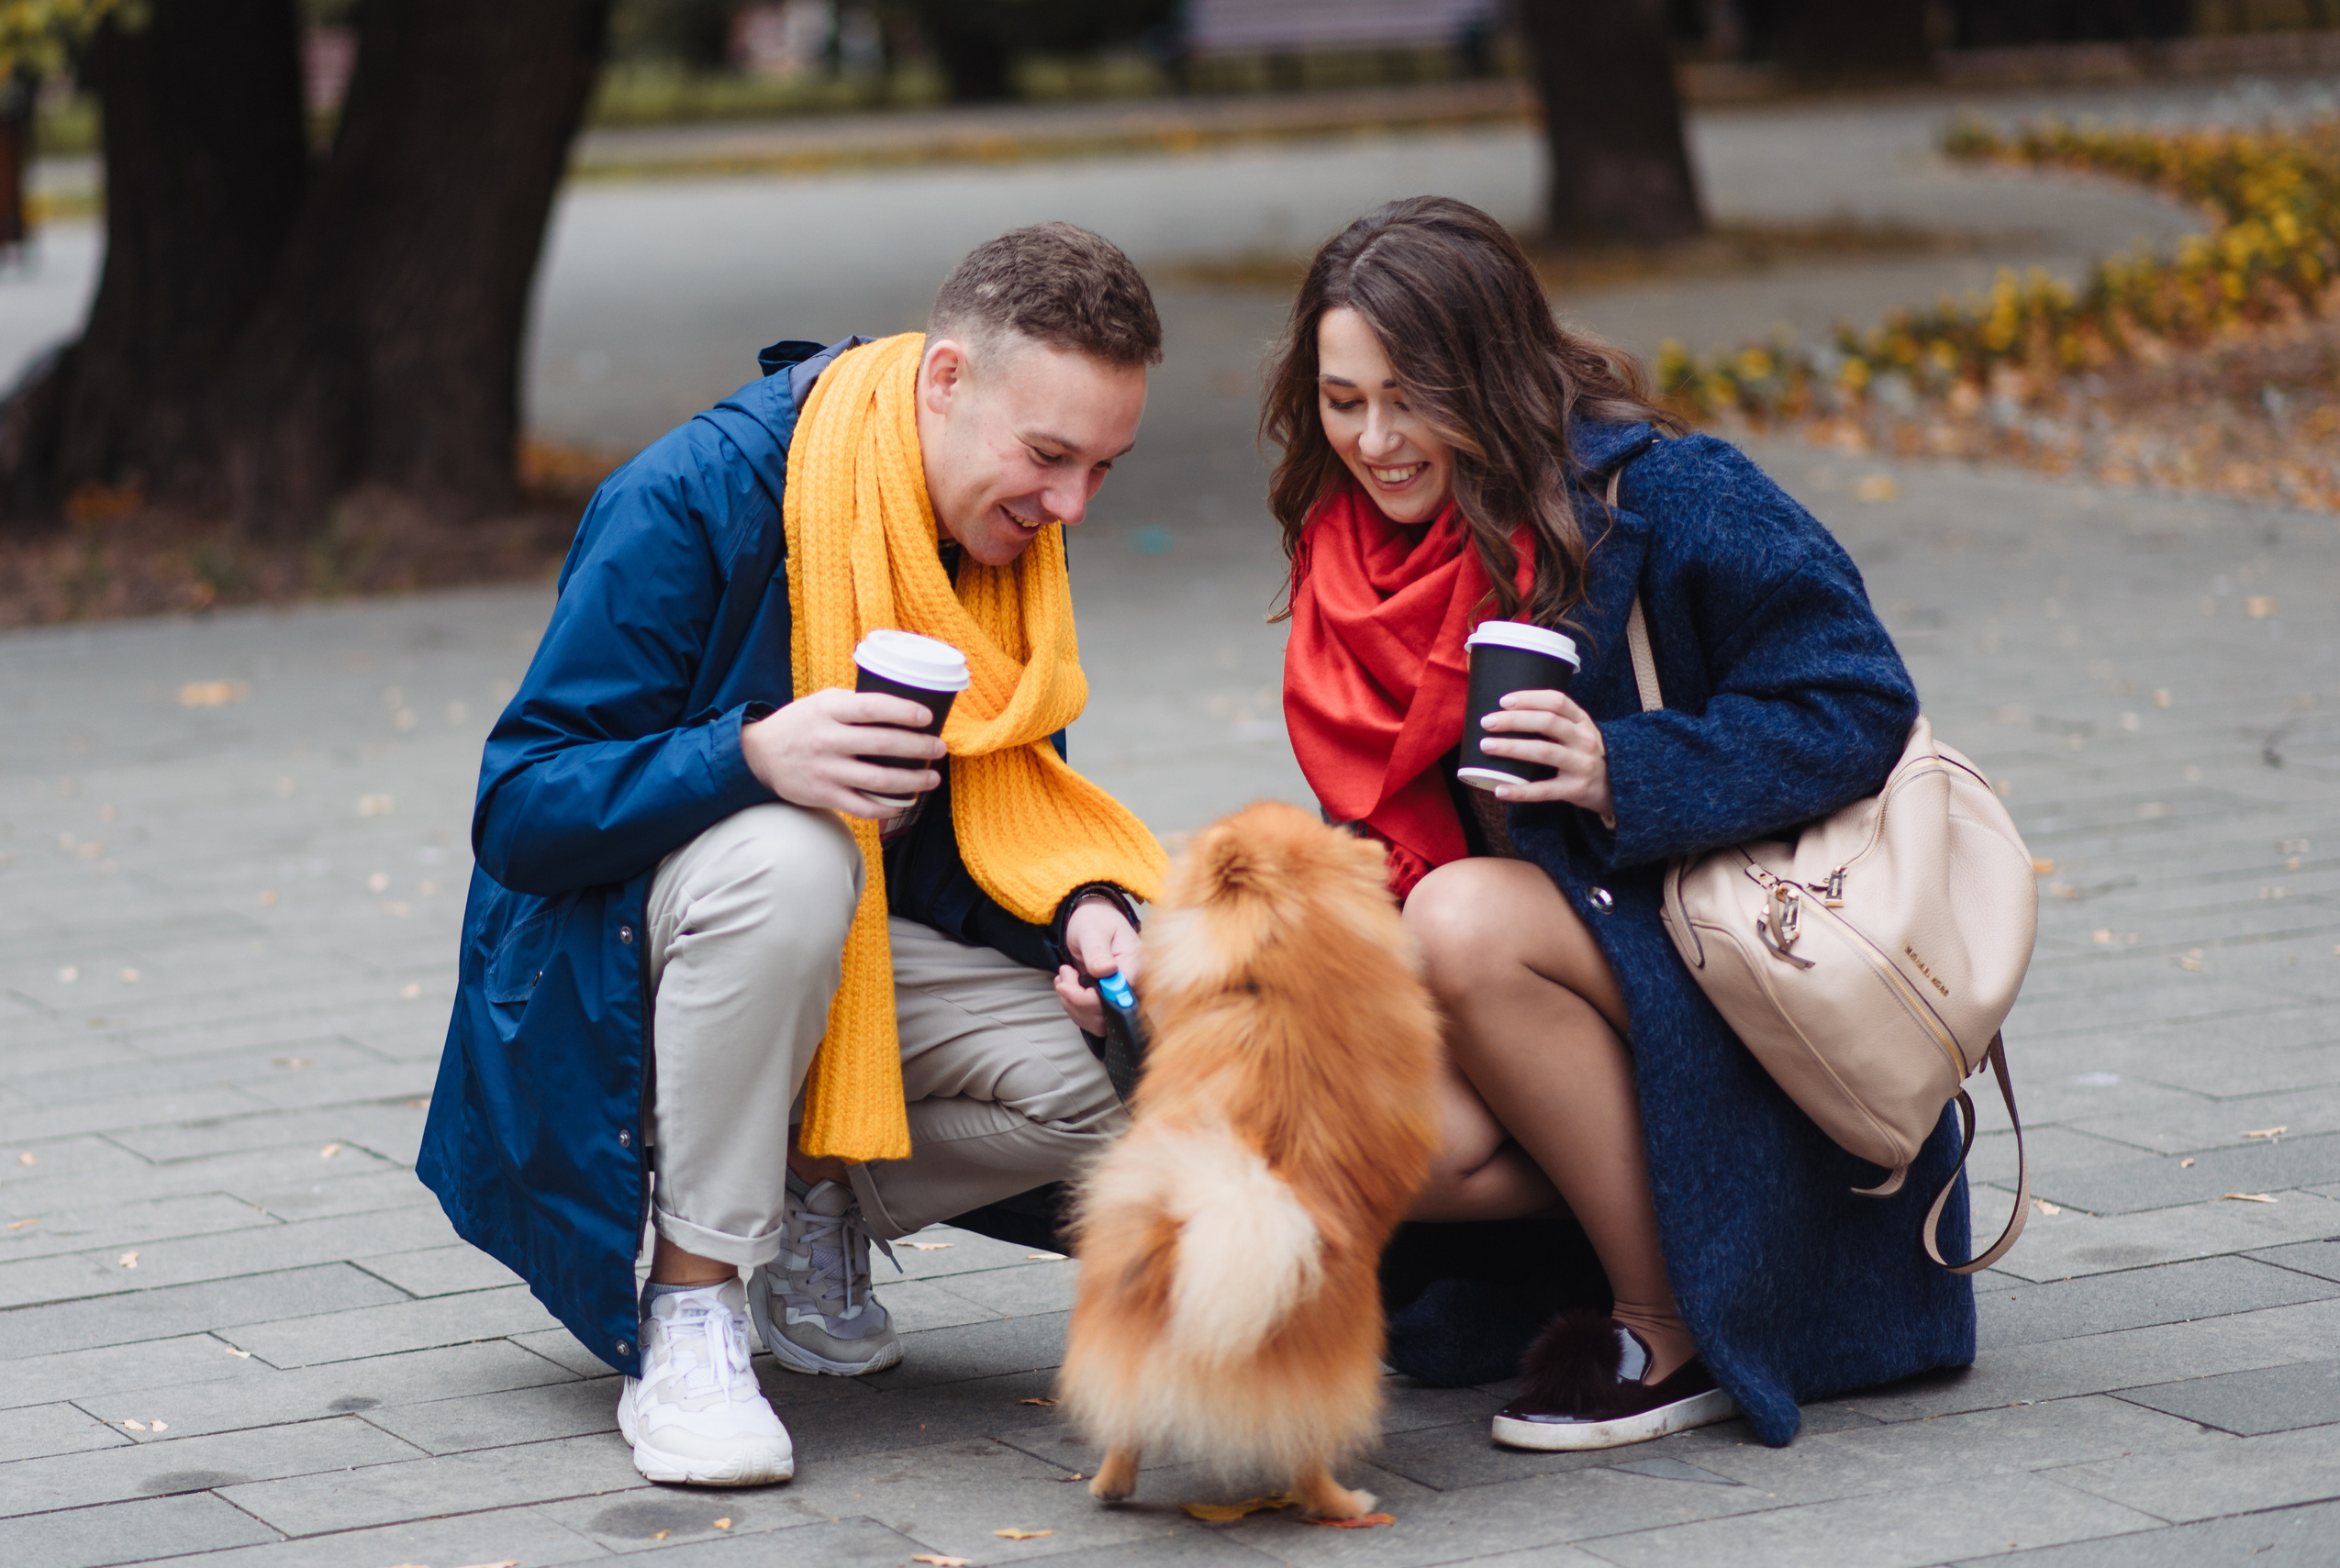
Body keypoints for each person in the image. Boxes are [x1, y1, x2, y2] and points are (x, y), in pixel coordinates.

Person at [419, 223, 1170, 1486]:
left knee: (1134, 1047)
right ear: (945, 380)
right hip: (601, 982)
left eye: (1104, 466)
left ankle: (807, 1190)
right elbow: (521, 808)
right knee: (792, 855)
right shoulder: (696, 492)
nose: (1071, 507)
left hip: (836, 965)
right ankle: (695, 1307)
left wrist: (1083, 907)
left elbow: (980, 836)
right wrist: (752, 752)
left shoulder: (993, 549)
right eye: (1049, 456)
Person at [1268, 196, 1974, 1451]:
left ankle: (1675, 1321)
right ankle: (1711, 1226)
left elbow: (1861, 699)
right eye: (1342, 399)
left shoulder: (1667, 490)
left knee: (1466, 916)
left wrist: (1621, 768)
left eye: (1409, 396)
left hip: (1734, 971)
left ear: (1490, 371)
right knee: (1350, 1121)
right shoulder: (1346, 560)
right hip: (1548, 983)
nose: (1374, 439)